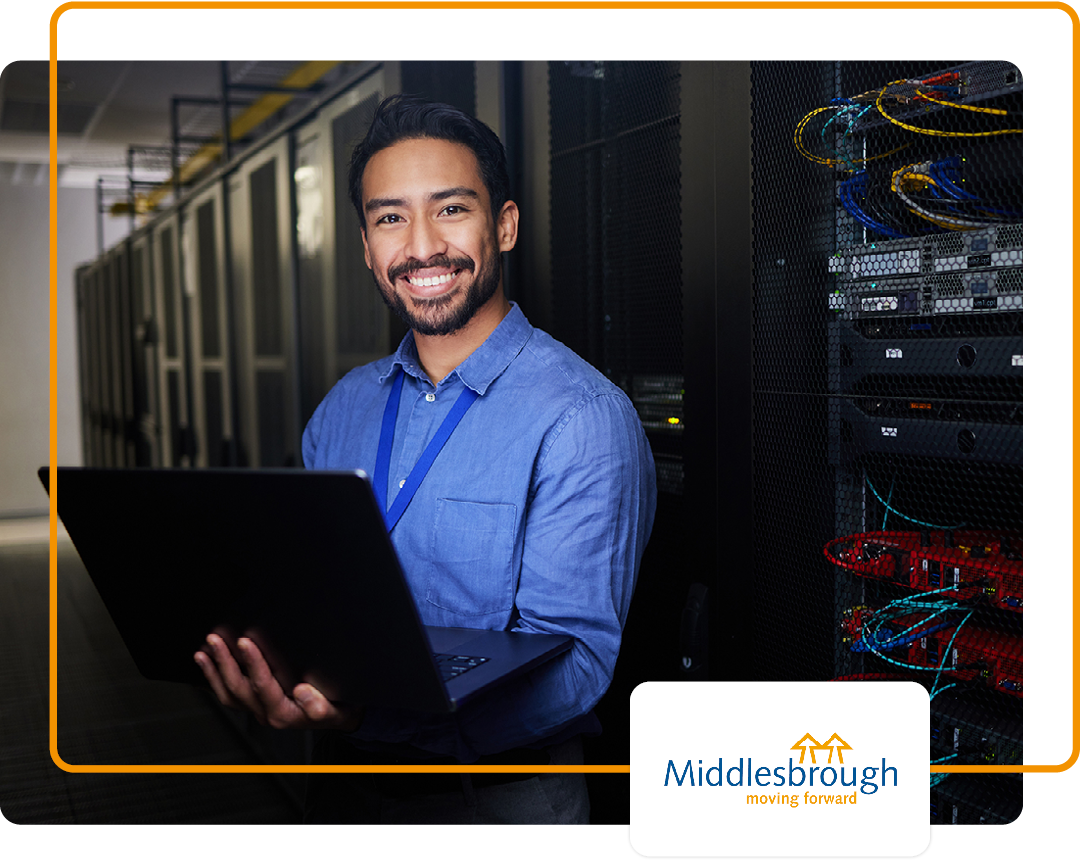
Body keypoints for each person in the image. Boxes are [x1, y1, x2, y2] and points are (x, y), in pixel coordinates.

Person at [194, 94, 657, 824]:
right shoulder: (341, 412)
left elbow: (573, 670)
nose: (420, 247)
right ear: (367, 245)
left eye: (449, 209)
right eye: (389, 218)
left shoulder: (580, 419)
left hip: (500, 808)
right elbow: (312, 605)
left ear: (503, 225)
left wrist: (365, 719)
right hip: (340, 795)